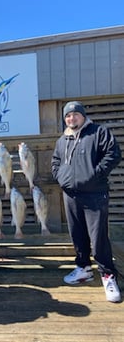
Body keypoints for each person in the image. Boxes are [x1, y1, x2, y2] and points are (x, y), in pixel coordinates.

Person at [51, 101, 122, 303]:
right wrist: (61, 177)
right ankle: (83, 268)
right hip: (71, 195)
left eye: (75, 114)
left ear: (82, 115)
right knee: (77, 235)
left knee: (98, 236)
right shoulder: (62, 140)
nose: (71, 119)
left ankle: (108, 275)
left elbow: (113, 154)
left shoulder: (98, 132)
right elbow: (55, 162)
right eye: (68, 116)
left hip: (95, 195)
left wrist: (95, 175)